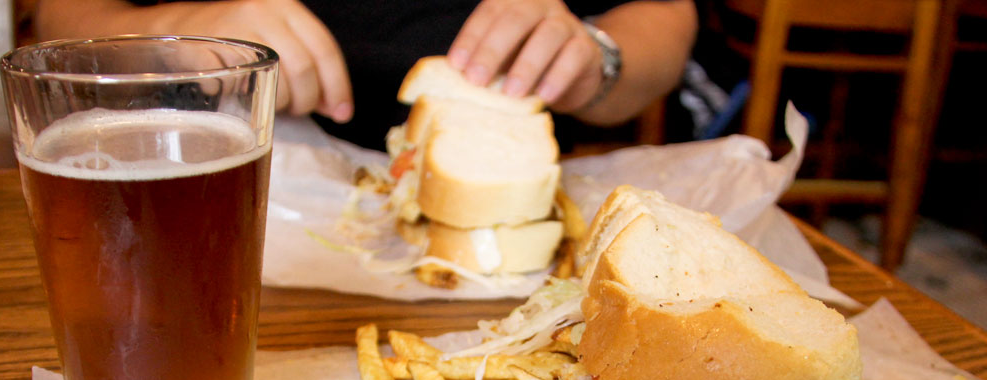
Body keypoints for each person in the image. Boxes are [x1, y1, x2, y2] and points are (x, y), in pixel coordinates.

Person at [34, 0, 697, 150]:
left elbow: (668, 18)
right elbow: (57, 21)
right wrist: (176, 30)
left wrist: (597, 58)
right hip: (178, 211)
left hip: (505, 272)